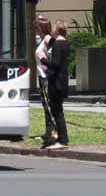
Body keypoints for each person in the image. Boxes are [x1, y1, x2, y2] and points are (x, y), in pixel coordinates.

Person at [40, 20, 70, 149]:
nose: (51, 30)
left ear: (57, 30)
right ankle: (62, 138)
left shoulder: (58, 44)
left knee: (57, 111)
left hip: (56, 81)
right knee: (58, 110)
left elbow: (56, 64)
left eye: (53, 29)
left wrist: (43, 59)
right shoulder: (65, 43)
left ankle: (62, 140)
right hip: (62, 80)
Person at [35, 15, 56, 142]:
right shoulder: (42, 40)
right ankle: (48, 132)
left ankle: (54, 132)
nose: (35, 30)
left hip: (46, 77)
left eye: (36, 28)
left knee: (49, 105)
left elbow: (54, 55)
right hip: (41, 77)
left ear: (41, 28)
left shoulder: (48, 40)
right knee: (45, 105)